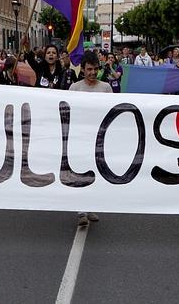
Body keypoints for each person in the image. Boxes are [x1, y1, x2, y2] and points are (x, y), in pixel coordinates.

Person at [68, 51, 112, 226]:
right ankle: (81, 211)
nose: (92, 73)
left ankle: (91, 206)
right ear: (83, 70)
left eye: (95, 69)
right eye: (89, 69)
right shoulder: (75, 88)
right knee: (81, 173)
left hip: (100, 138)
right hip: (80, 137)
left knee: (97, 173)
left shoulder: (106, 88)